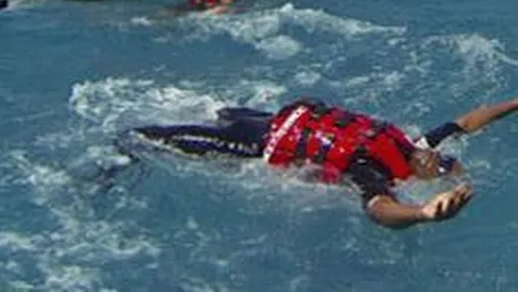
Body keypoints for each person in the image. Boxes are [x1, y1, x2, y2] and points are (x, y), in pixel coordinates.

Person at [122, 96, 518, 229]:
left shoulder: (373, 171)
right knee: (223, 110)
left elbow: (379, 210)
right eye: (443, 158)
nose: (438, 157)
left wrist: (422, 214)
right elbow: (468, 121)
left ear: (421, 176)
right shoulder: (412, 145)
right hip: (270, 119)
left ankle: (119, 154)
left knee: (152, 136)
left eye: (440, 166)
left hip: (258, 146)